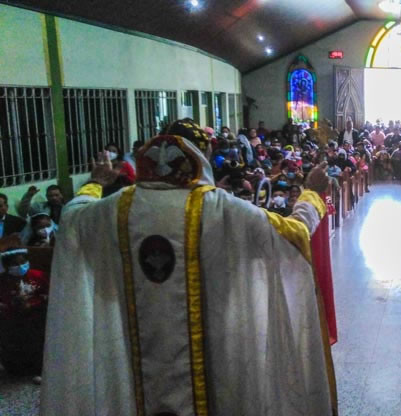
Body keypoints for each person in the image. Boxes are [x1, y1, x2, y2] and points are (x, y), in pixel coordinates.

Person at [41, 119, 336, 415]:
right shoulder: (222, 209)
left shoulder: (115, 209)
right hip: (215, 352)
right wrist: (311, 193)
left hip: (136, 361)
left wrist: (95, 184)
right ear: (201, 157)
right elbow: (294, 233)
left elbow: (72, 218)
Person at [0, 238, 49, 383]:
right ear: (7, 266)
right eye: (15, 264)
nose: (20, 266)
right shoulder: (2, 280)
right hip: (12, 319)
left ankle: (40, 368)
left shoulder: (38, 275)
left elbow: (49, 295)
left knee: (37, 337)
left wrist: (33, 303)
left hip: (36, 317)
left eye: (22, 262)